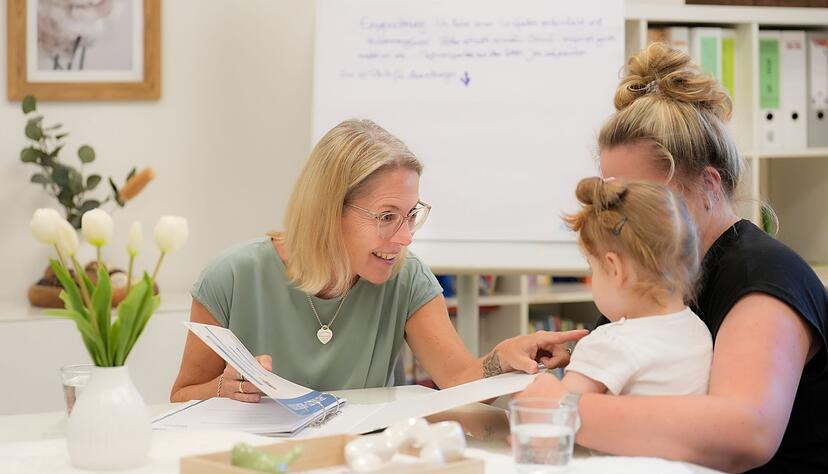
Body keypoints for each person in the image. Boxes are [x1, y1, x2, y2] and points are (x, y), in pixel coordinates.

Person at [516, 42, 828, 473]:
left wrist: (565, 409)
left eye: (644, 197)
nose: (620, 216)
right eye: (615, 197)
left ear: (709, 186)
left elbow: (745, 431)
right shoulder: (652, 266)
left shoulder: (765, 276)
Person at [171, 119, 587, 403]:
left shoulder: (407, 278)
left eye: (410, 215)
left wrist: (504, 356)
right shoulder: (231, 278)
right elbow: (182, 395)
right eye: (387, 217)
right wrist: (224, 390)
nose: (404, 237)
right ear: (328, 210)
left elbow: (458, 380)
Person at [560, 177, 711, 397]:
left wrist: (540, 389)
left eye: (592, 268)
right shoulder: (698, 331)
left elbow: (558, 417)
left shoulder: (609, 343)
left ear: (615, 268)